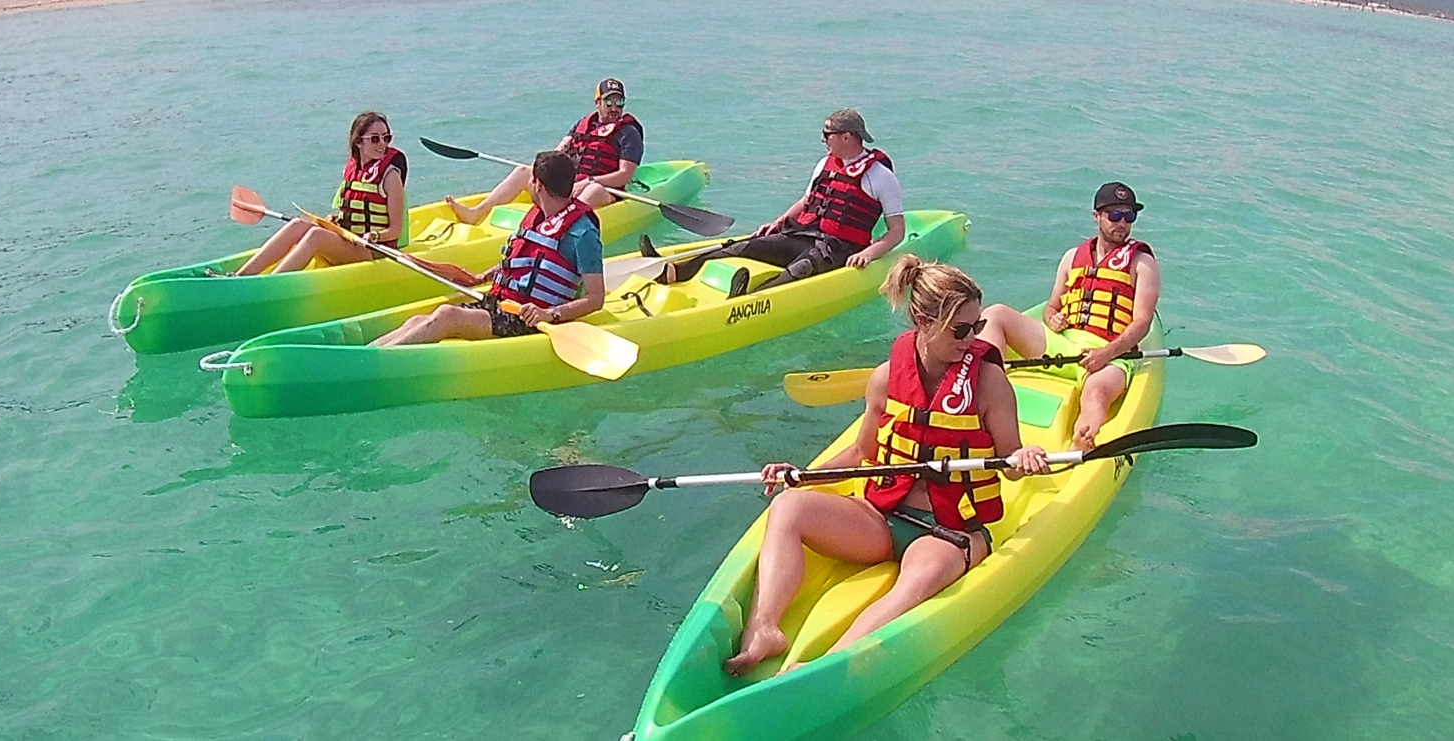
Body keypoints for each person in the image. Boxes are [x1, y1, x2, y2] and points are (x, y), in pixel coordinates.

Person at [722, 256, 1050, 677]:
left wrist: (1024, 458)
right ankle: (763, 629)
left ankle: (824, 666)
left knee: (919, 578)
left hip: (949, 531)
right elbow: (863, 453)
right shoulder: (885, 377)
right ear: (923, 321)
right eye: (961, 329)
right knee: (789, 507)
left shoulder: (988, 382)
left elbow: (1009, 462)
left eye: (977, 327)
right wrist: (803, 474)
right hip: (881, 516)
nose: (972, 338)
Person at [975, 181, 1162, 451]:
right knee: (996, 314)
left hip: (1110, 356)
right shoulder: (1072, 257)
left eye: (1129, 216)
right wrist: (1053, 318)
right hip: (1062, 345)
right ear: (1097, 216)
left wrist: (1107, 354)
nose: (1122, 223)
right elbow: (1051, 307)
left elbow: (1143, 322)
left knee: (1096, 394)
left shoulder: (1142, 263)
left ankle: (1081, 443)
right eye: (1115, 215)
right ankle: (987, 386)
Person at [652, 108, 905, 297]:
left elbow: (897, 231)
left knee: (800, 269)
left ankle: (747, 299)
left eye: (827, 134)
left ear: (847, 137)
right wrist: (778, 222)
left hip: (840, 248)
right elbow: (807, 201)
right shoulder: (824, 164)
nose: (823, 140)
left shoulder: (880, 176)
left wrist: (868, 254)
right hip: (804, 233)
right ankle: (678, 271)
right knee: (743, 246)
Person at [371, 151, 606, 347]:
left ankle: (377, 362)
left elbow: (596, 298)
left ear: (539, 186)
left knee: (447, 316)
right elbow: (521, 262)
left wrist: (550, 314)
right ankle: (368, 352)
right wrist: (482, 277)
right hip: (501, 303)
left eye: (530, 180)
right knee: (418, 320)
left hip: (528, 318)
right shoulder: (539, 216)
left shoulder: (582, 233)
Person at [446, 78, 642, 225]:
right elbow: (558, 154)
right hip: (570, 186)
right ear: (597, 103)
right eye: (609, 103)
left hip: (605, 191)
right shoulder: (584, 124)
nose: (615, 108)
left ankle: (559, 227)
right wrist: (548, 166)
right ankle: (476, 213)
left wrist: (588, 181)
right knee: (525, 171)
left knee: (593, 190)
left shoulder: (628, 133)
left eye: (619, 103)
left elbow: (624, 176)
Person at [235, 112, 407, 276]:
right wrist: (336, 220)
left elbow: (396, 230)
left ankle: (269, 284)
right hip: (351, 241)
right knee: (297, 224)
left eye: (387, 138)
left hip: (374, 250)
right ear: (358, 142)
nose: (382, 144)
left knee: (316, 236)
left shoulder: (390, 176)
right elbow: (354, 211)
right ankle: (241, 276)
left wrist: (374, 236)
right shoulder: (353, 169)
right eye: (375, 139)